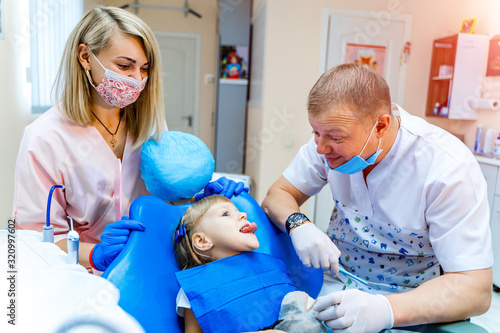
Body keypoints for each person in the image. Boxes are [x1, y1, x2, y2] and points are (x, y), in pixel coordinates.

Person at [261, 63, 493, 332]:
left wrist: (385, 310)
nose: (321, 148)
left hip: (409, 304)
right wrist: (298, 222)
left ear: (381, 125)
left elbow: (475, 289)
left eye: (335, 137)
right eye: (315, 132)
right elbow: (277, 194)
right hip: (335, 285)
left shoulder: (448, 168)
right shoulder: (327, 143)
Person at [12, 6, 243, 273]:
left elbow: (164, 202)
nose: (137, 80)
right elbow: (34, 237)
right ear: (85, 56)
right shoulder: (45, 138)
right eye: (124, 66)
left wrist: (199, 200)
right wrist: (94, 254)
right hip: (84, 277)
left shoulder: (149, 124)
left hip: (151, 265)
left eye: (144, 68)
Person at [174, 195, 326, 333]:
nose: (243, 214)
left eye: (239, 211)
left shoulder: (271, 267)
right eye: (225, 214)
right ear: (202, 241)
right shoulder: (196, 289)